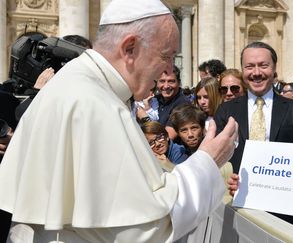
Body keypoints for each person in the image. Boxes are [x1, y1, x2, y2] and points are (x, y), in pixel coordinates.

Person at [0, 0, 238, 242]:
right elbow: (142, 229)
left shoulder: (80, 84)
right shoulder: (93, 103)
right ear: (130, 48)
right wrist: (207, 162)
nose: (168, 69)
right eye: (166, 56)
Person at [214, 41, 293, 174]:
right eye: (249, 67)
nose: (256, 73)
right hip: (236, 190)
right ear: (243, 70)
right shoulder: (225, 111)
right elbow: (217, 156)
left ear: (274, 68)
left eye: (263, 65)